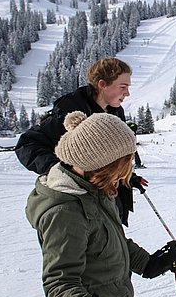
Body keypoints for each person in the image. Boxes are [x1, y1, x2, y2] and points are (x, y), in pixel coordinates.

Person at [25, 111, 176, 297]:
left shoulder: (92, 190)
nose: (126, 174)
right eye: (122, 166)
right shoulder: (65, 211)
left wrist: (149, 263)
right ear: (98, 164)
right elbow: (58, 281)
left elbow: (113, 239)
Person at [15, 57, 147, 225]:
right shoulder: (70, 110)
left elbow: (113, 154)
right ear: (102, 84)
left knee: (112, 240)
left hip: (107, 196)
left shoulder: (115, 112)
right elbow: (27, 144)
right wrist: (60, 171)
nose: (127, 93)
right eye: (123, 87)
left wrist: (128, 177)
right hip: (81, 203)